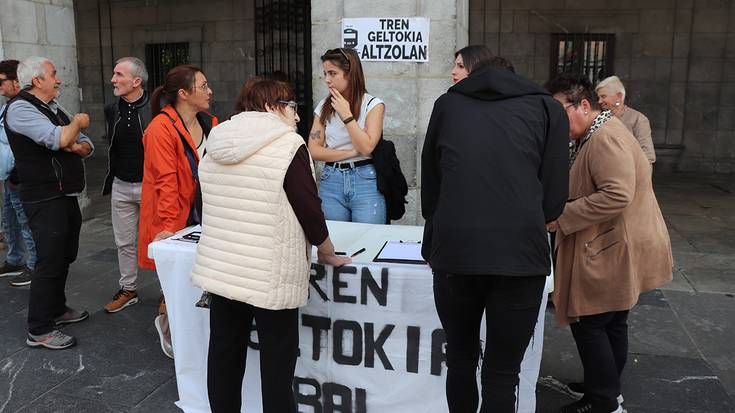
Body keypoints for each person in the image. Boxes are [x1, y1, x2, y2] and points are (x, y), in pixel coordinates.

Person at [421, 45, 569, 412]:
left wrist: (438, 233)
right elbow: (554, 197)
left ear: (475, 72)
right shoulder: (548, 107)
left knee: (459, 358)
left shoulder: (448, 104)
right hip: (519, 254)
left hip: (456, 250)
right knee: (503, 371)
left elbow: (431, 180)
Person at [191, 79, 351, 413]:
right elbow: (309, 207)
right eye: (292, 107)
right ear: (270, 106)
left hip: (224, 268)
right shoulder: (288, 145)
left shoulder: (215, 140)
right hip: (270, 270)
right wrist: (326, 248)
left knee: (223, 354)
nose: (296, 117)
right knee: (277, 364)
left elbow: (203, 202)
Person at [545, 74, 673, 413]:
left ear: (584, 105)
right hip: (615, 243)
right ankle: (606, 386)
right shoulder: (599, 130)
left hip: (610, 246)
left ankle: (603, 400)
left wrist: (562, 217)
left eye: (560, 112)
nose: (556, 122)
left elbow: (616, 194)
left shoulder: (604, 137)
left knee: (590, 324)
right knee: (612, 321)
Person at [3, 56, 95, 349]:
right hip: (43, 197)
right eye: (54, 74)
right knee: (49, 260)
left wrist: (74, 139)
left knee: (65, 254)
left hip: (64, 194)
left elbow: (86, 143)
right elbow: (59, 139)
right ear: (37, 80)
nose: (59, 79)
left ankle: (57, 308)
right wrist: (76, 124)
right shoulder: (19, 108)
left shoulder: (53, 107)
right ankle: (39, 328)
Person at [139, 64, 217, 358]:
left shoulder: (210, 123)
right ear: (183, 94)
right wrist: (171, 229)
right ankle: (168, 323)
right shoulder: (160, 128)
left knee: (198, 276)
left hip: (204, 212)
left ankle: (190, 329)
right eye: (203, 86)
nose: (210, 92)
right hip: (175, 216)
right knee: (176, 280)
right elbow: (165, 181)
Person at [308, 48, 387, 224]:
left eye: (333, 73)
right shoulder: (323, 106)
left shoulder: (373, 105)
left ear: (350, 74)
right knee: (337, 242)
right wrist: (351, 153)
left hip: (365, 178)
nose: (327, 80)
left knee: (369, 239)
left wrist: (346, 115)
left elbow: (366, 147)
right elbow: (313, 150)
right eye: (325, 74)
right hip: (331, 178)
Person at [102, 57, 151, 313]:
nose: (113, 79)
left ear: (136, 81)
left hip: (150, 186)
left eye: (119, 74)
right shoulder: (112, 109)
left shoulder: (156, 107)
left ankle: (168, 292)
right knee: (124, 242)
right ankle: (128, 288)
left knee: (157, 242)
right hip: (121, 184)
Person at [0, 59, 37, 287]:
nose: (0, 87)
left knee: (25, 221)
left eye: (2, 82)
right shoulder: (7, 106)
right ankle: (14, 259)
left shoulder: (23, 107)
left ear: (17, 81)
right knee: (9, 220)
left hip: (18, 176)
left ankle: (34, 265)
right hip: (7, 176)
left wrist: (16, 174)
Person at [595, 75, 656, 164]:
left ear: (619, 96)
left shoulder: (638, 119)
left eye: (603, 96)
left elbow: (648, 155)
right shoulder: (597, 118)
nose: (599, 101)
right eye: (598, 98)